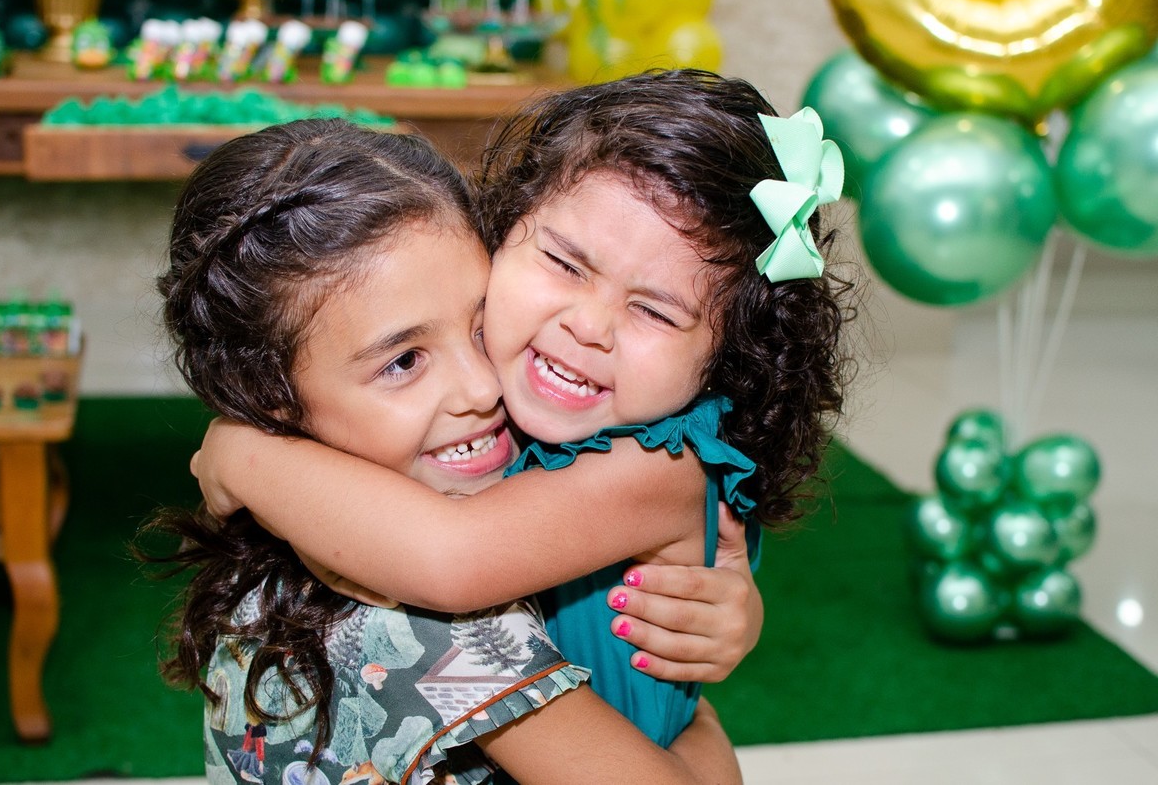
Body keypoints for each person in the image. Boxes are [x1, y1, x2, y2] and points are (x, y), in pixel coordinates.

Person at [194, 68, 855, 752]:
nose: (591, 325)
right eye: (566, 264)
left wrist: (245, 451)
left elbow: (452, 557)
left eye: (654, 310)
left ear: (725, 355)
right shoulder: (521, 408)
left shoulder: (659, 465)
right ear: (504, 231)